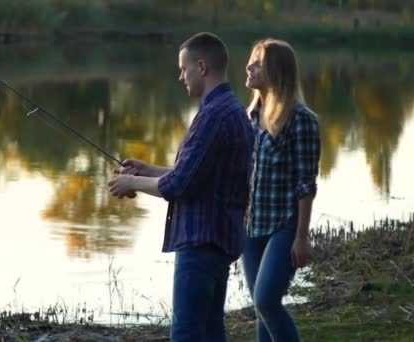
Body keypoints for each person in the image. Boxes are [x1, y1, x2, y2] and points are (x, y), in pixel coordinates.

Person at [107, 32, 254, 341]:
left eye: (183, 69)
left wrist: (131, 181)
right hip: (218, 239)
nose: (180, 76)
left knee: (186, 334)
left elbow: (178, 185)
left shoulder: (213, 115)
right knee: (211, 332)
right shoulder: (231, 109)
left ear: (201, 67)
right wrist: (148, 169)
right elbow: (196, 175)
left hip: (201, 242)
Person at [242, 38, 321, 342]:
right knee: (262, 309)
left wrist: (301, 238)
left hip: (283, 228)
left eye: (257, 63)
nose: (248, 67)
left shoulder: (302, 120)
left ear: (276, 71)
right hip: (251, 228)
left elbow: (306, 185)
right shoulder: (249, 118)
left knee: (265, 301)